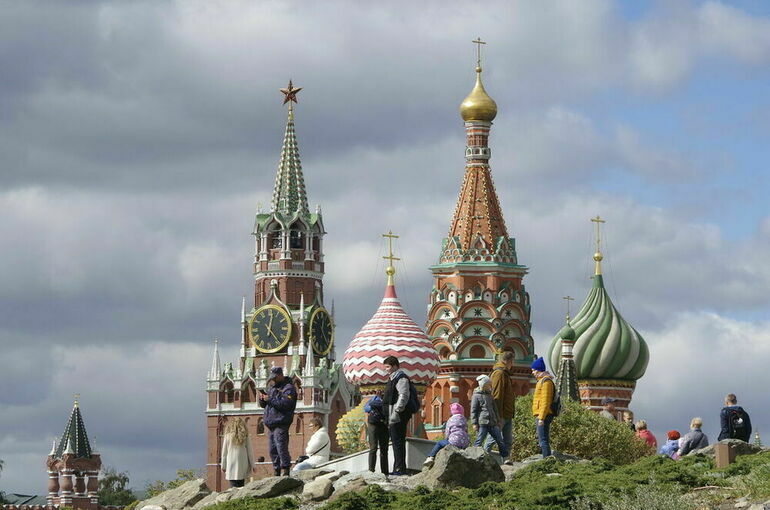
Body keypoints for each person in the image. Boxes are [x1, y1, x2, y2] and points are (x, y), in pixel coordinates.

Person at [258, 366, 297, 476]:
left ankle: (285, 469)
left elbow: (285, 404)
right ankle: (276, 470)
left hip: (281, 422)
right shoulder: (272, 388)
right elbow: (264, 405)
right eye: (272, 378)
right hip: (270, 423)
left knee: (281, 446)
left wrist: (269, 399)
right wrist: (262, 399)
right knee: (272, 449)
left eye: (275, 378)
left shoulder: (288, 388)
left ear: (280, 375)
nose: (273, 380)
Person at [383, 356, 412, 476]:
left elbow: (403, 395)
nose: (386, 370)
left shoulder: (401, 378)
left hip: (398, 415)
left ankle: (400, 468)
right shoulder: (392, 378)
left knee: (398, 441)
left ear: (395, 366)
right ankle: (397, 467)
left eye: (388, 367)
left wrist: (397, 411)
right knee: (395, 442)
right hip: (392, 414)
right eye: (385, 367)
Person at [472, 375, 510, 459]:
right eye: (489, 384)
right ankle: (473, 455)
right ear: (484, 385)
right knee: (479, 439)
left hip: (493, 422)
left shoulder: (490, 396)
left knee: (500, 440)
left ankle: (505, 457)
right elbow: (473, 411)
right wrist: (474, 423)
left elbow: (495, 409)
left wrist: (498, 420)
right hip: (483, 422)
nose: (490, 386)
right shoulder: (476, 396)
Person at [487, 350, 515, 462]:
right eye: (512, 361)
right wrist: (497, 415)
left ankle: (506, 460)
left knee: (507, 440)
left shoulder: (505, 373)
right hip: (501, 414)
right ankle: (481, 457)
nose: (513, 364)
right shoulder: (499, 373)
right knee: (493, 438)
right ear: (508, 361)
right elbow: (497, 395)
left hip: (507, 413)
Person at [423, 402, 470, 468]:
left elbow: (447, 432)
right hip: (465, 442)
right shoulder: (464, 419)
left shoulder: (451, 420)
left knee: (439, 443)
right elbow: (466, 430)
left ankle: (430, 457)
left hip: (454, 442)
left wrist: (447, 438)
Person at [531, 357, 555, 458]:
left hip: (544, 415)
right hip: (541, 414)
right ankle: (546, 459)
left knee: (543, 440)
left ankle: (546, 461)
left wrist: (541, 418)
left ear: (539, 369)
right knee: (542, 439)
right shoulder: (541, 381)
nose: (532, 373)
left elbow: (546, 401)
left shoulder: (546, 382)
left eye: (534, 370)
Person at [220, 417, 254, 488]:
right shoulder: (246, 436)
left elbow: (224, 453)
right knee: (241, 485)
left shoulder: (227, 436)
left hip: (231, 464)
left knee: (233, 486)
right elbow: (250, 452)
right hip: (243, 464)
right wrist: (253, 465)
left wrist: (223, 465)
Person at [364, 390, 389, 475]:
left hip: (383, 425)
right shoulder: (374, 400)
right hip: (375, 424)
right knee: (374, 448)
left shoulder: (386, 400)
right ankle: (371, 470)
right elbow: (367, 407)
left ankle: (385, 472)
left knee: (383, 449)